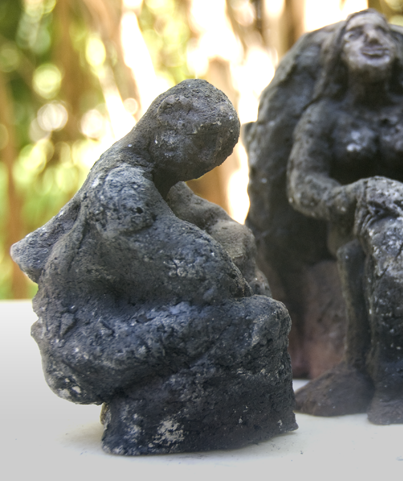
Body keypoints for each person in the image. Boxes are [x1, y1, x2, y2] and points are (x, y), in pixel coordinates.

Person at [12, 79, 296, 454]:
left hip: (120, 326)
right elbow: (204, 273)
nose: (212, 159)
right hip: (91, 345)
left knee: (257, 301)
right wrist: (230, 259)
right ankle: (151, 419)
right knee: (263, 317)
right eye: (206, 142)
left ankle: (193, 418)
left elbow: (224, 228)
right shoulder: (121, 187)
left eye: (223, 150)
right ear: (167, 117)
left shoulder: (160, 179)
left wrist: (231, 251)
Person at [288, 9, 403, 425]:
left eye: (382, 33)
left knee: (372, 248)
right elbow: (302, 182)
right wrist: (354, 194)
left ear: (397, 53)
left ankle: (372, 367)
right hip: (350, 229)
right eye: (356, 34)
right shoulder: (323, 116)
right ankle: (394, 377)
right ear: (338, 57)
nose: (372, 39)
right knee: (366, 245)